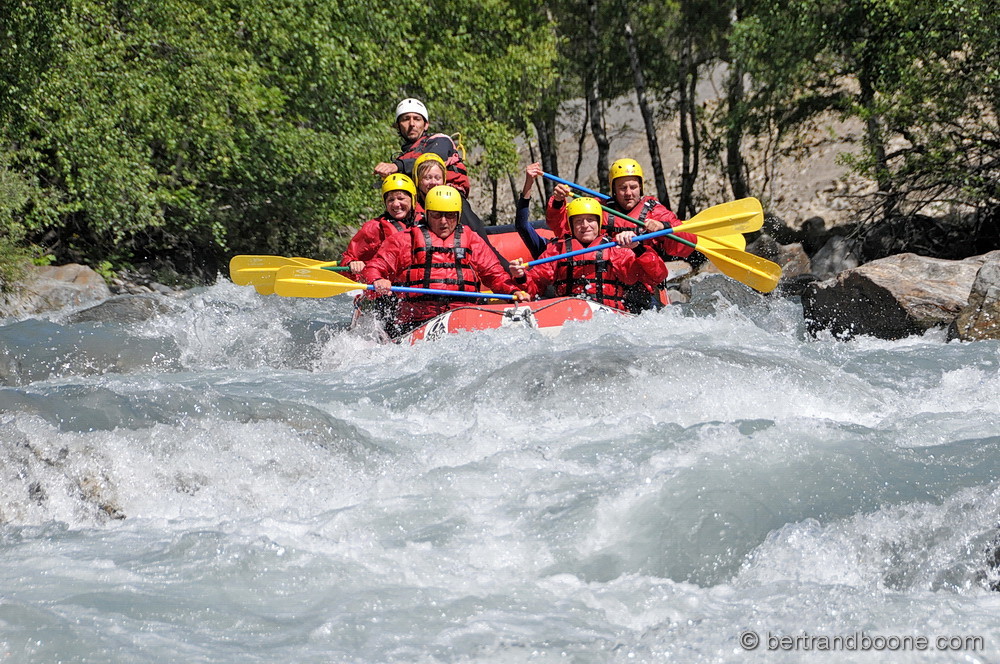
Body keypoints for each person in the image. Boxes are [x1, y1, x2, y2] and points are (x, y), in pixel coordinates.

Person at [360, 185, 529, 336]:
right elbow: (373, 268)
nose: (443, 222)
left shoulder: (472, 239)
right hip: (415, 322)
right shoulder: (403, 240)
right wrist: (377, 280)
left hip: (464, 317)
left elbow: (495, 274)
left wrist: (513, 291)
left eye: (449, 216)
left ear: (458, 215)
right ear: (426, 214)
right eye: (436, 215)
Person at [546, 159, 696, 310]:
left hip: (644, 282)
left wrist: (663, 226)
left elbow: (687, 243)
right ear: (614, 189)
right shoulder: (600, 208)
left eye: (633, 187)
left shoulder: (655, 211)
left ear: (641, 188)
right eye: (622, 188)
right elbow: (564, 229)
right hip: (607, 280)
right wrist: (558, 202)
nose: (628, 193)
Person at [509, 197, 668, 312]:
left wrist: (638, 248)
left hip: (610, 317)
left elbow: (658, 275)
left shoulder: (616, 250)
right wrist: (521, 276)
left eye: (590, 220)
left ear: (598, 223)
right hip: (570, 318)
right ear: (571, 225)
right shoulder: (556, 250)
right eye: (578, 221)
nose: (585, 226)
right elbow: (534, 285)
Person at [340, 173, 421, 273]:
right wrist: (351, 263)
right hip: (388, 285)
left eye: (401, 198)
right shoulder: (373, 227)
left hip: (418, 286)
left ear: (413, 199)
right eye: (390, 200)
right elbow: (348, 258)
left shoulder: (427, 222)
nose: (396, 204)